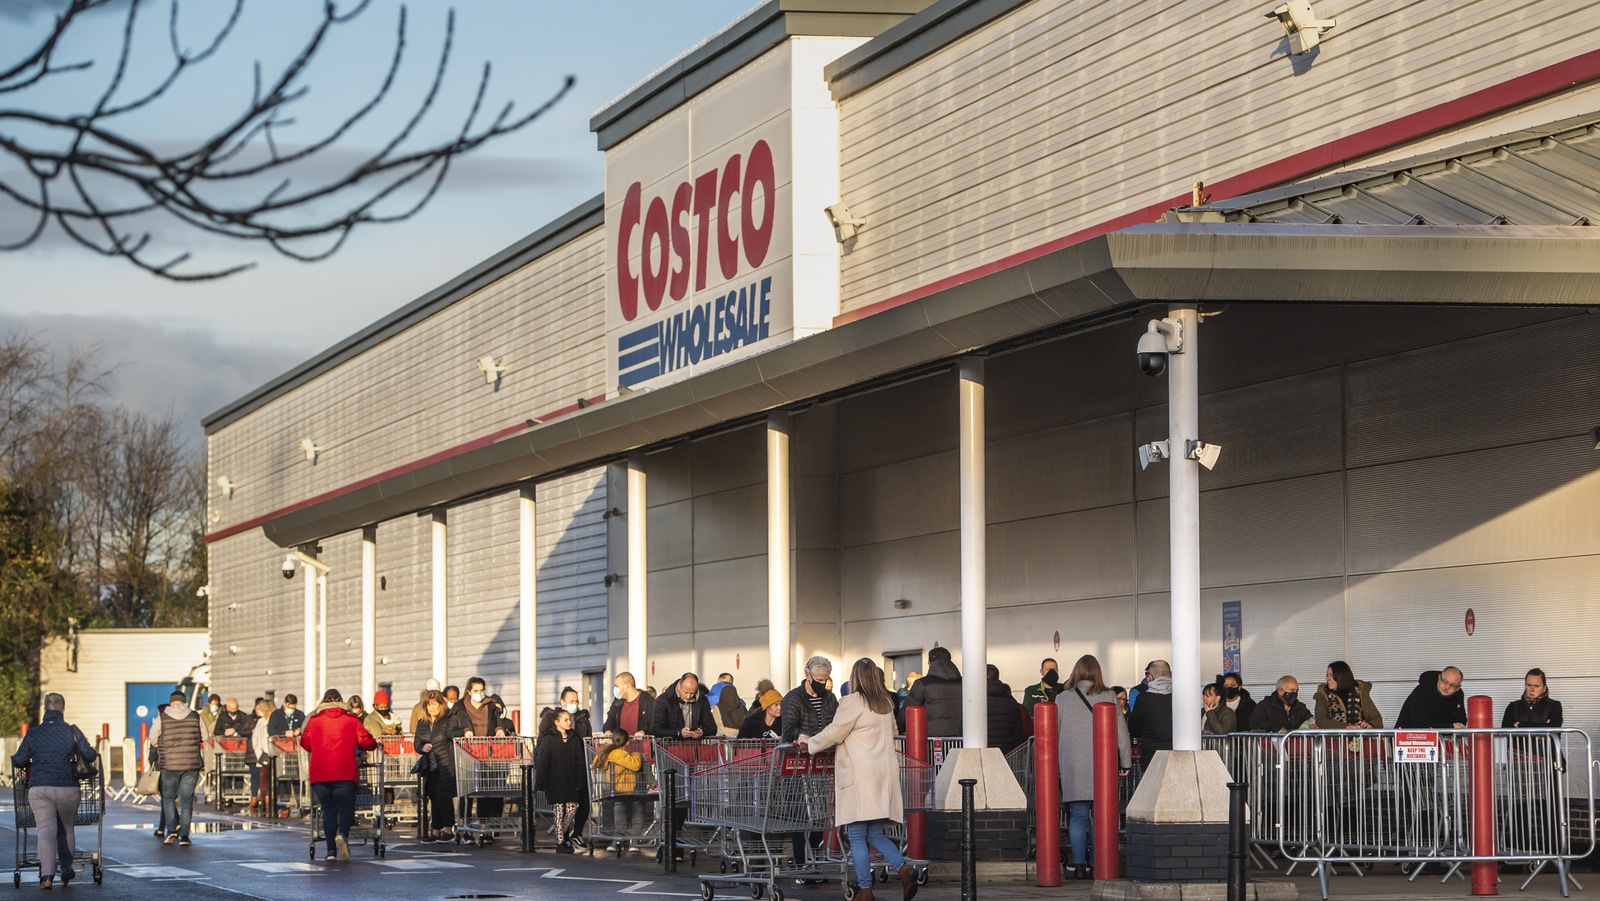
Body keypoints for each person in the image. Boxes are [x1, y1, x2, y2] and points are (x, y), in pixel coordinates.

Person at [797, 658, 917, 901]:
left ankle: (865, 889)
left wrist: (810, 743)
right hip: (882, 776)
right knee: (874, 835)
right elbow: (892, 733)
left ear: (855, 678)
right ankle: (903, 867)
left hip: (860, 778)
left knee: (856, 836)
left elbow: (835, 731)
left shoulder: (852, 701)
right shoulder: (884, 702)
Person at [10, 693, 98, 888]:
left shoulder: (33, 733)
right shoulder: (72, 731)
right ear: (63, 710)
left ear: (44, 709)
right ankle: (66, 871)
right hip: (68, 788)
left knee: (45, 831)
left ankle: (47, 876)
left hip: (40, 788)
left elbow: (19, 760)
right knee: (66, 829)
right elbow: (90, 755)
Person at [1055, 655, 1130, 880]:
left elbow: (1053, 733)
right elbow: (1121, 733)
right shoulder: (1108, 696)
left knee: (1077, 815)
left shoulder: (1061, 698)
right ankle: (1099, 865)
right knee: (1101, 816)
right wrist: (1125, 762)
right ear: (1097, 672)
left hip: (1072, 765)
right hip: (1102, 765)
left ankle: (1079, 865)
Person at [300, 689, 378, 860]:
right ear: (342, 702)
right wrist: (374, 743)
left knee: (328, 811)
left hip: (320, 773)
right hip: (344, 772)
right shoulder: (351, 720)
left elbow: (304, 742)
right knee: (346, 808)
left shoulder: (314, 720)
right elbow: (366, 741)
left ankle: (330, 852)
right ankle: (342, 835)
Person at [781, 656, 839, 883]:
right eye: (818, 679)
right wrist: (803, 737)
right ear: (808, 675)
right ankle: (801, 866)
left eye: (825, 680)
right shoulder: (792, 699)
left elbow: (836, 722)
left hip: (820, 765)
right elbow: (788, 729)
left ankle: (812, 862)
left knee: (818, 817)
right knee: (799, 816)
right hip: (796, 764)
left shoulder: (829, 698)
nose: (822, 684)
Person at [150, 690, 204, 846]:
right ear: (184, 701)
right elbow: (205, 736)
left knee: (168, 797)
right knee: (186, 800)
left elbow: (153, 739)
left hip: (170, 764)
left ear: (171, 702)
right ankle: (185, 836)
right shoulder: (195, 716)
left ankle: (172, 830)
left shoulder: (162, 718)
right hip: (191, 764)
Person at [413, 690, 465, 841]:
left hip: (446, 764)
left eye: (435, 704)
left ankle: (448, 830)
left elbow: (449, 737)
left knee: (444, 796)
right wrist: (422, 747)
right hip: (430, 767)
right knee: (433, 797)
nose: (432, 707)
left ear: (441, 705)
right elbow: (417, 742)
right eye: (429, 705)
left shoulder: (446, 720)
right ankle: (435, 831)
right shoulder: (422, 722)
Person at [535, 708, 587, 853]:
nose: (569, 722)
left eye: (569, 719)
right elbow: (543, 762)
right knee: (559, 810)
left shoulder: (574, 738)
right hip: (555, 781)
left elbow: (579, 761)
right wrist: (540, 784)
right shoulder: (549, 739)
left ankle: (563, 835)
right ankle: (560, 842)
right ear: (557, 722)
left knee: (571, 810)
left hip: (570, 780)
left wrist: (580, 782)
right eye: (565, 720)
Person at [591, 727, 646, 844]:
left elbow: (596, 762)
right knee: (638, 803)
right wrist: (637, 755)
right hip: (628, 786)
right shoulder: (621, 754)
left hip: (614, 787)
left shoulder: (607, 753)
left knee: (619, 804)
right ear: (627, 743)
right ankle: (634, 839)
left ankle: (618, 837)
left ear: (612, 741)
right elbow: (635, 765)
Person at [906, 647, 961, 738]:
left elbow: (907, 712)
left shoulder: (922, 684)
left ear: (931, 663)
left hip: (931, 741)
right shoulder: (965, 683)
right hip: (960, 740)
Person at [1313, 661, 1383, 729]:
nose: (1327, 679)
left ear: (1342, 676)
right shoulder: (1323, 694)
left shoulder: (1360, 692)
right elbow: (1321, 720)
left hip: (1359, 739)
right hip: (1334, 740)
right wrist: (1345, 727)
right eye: (1327, 675)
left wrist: (1369, 725)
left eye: (1331, 675)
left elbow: (1377, 719)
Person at [1126, 660, 1173, 756]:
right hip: (1176, 751)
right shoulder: (1180, 698)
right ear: (1171, 675)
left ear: (1150, 677)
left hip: (1150, 752)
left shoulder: (1142, 699)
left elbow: (1134, 729)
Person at [1396, 667, 1467, 729]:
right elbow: (1419, 725)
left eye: (1453, 685)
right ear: (1439, 678)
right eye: (1445, 681)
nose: (1447, 687)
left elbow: (1461, 722)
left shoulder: (1459, 694)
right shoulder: (1422, 691)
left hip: (1439, 741)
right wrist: (1451, 727)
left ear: (1458, 688)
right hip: (1407, 739)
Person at [652, 673, 718, 739]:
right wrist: (679, 733)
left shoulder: (702, 700)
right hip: (670, 746)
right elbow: (657, 730)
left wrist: (702, 732)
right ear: (679, 686)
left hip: (694, 745)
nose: (689, 696)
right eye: (685, 692)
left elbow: (712, 728)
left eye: (692, 693)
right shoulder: (663, 700)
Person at [985, 665, 1025, 754]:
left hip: (983, 751)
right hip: (1007, 753)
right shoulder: (1011, 701)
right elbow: (1018, 731)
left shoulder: (976, 701)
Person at [603, 672, 655, 739]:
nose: (615, 689)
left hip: (641, 746)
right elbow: (610, 719)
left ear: (627, 686)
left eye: (617, 686)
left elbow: (654, 724)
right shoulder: (617, 701)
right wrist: (607, 730)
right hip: (621, 747)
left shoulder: (647, 701)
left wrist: (644, 732)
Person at [248, 700, 275, 816]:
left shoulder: (273, 720)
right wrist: (260, 753)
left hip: (274, 753)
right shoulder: (261, 722)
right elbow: (255, 739)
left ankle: (270, 799)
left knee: (272, 778)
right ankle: (265, 799)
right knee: (264, 778)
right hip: (263, 754)